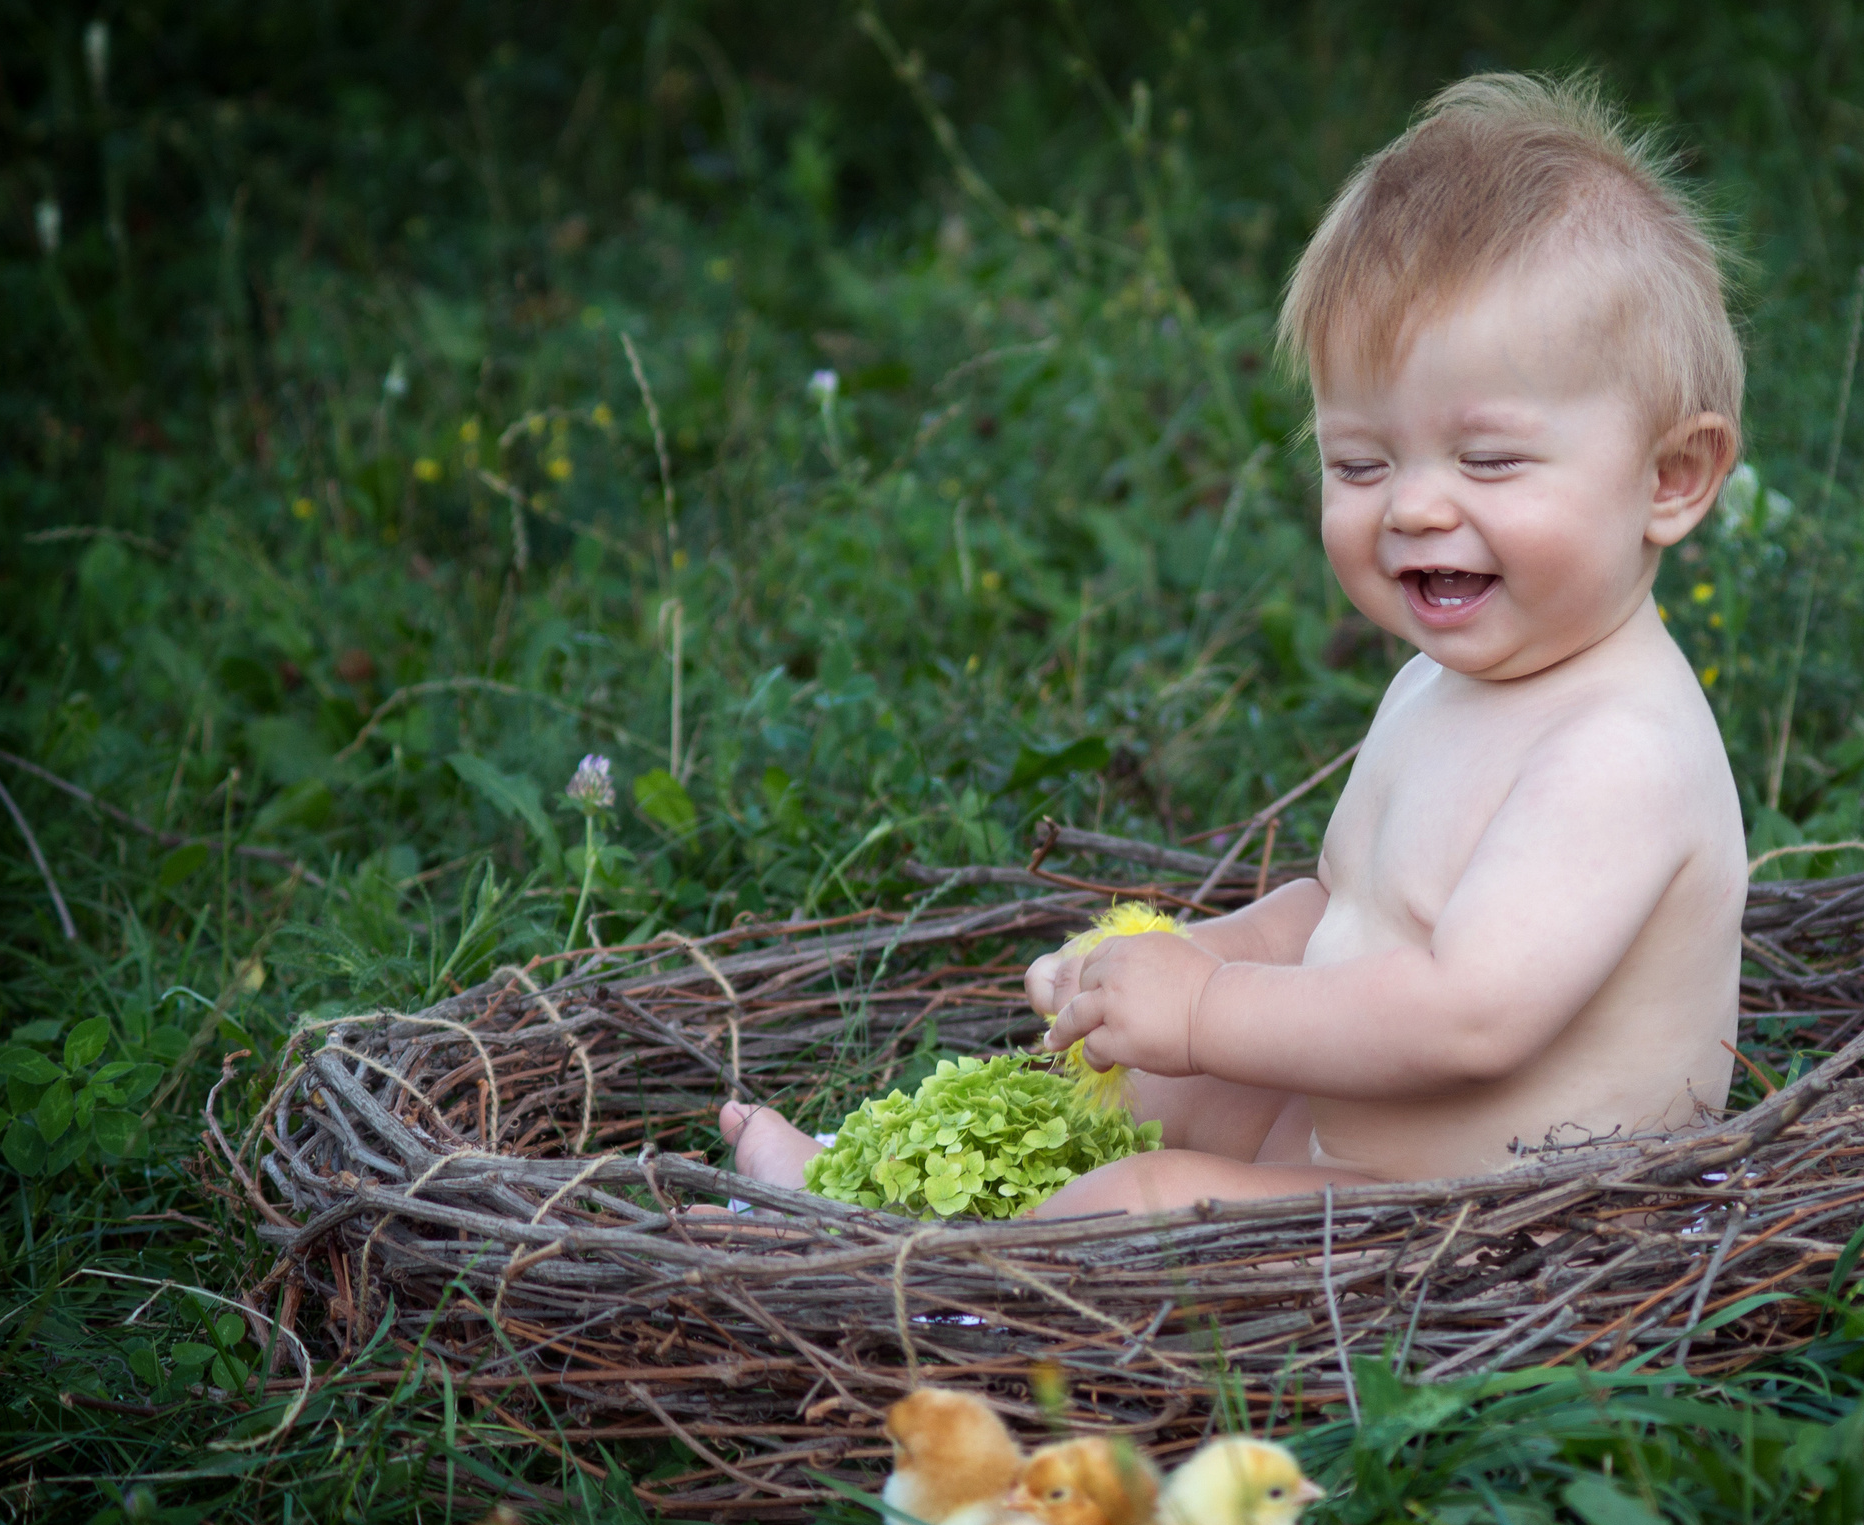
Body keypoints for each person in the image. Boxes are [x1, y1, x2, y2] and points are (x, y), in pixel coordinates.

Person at [724, 71, 1747, 1216]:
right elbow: (1339, 909)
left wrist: (1209, 1013)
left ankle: (893, 1265)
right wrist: (1179, 974)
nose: (1410, 509)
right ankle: (890, 1177)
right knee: (1154, 1079)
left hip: (1490, 1223)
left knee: (1153, 1194)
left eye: (1489, 462)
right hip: (1358, 1163)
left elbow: (1470, 1018)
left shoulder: (1618, 750)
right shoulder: (1439, 687)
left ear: (1671, 478)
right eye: (1359, 464)